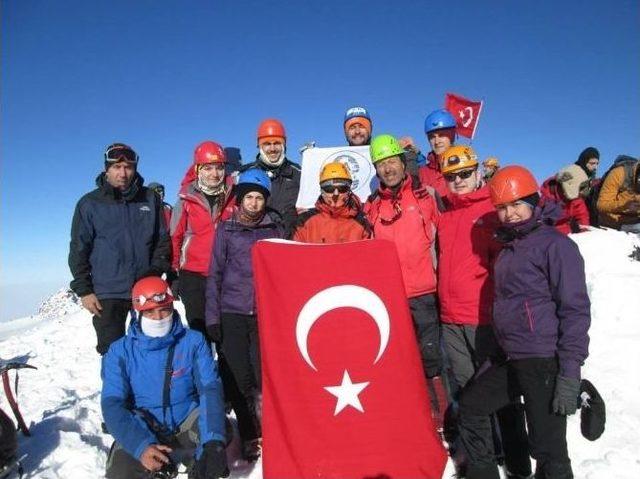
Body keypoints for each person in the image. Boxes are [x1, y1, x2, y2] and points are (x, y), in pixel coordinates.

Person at [458, 165, 591, 479]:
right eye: (502, 207)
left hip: (543, 360)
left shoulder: (556, 246)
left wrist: (570, 373)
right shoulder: (509, 248)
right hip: (510, 357)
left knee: (549, 450)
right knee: (471, 408)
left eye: (517, 204)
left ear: (534, 201)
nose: (510, 214)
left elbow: (574, 310)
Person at [437, 146, 530, 477]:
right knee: (467, 395)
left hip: (486, 319)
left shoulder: (493, 211)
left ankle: (518, 461)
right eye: (451, 177)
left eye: (464, 174)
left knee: (501, 394)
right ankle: (483, 464)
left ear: (477, 173)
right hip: (451, 319)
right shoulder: (444, 216)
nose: (459, 181)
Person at [101, 277, 228, 479]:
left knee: (220, 433)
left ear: (172, 307)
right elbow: (112, 403)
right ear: (137, 313)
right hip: (144, 425)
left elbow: (209, 389)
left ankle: (196, 460)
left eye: (164, 310)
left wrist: (213, 442)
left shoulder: (193, 341)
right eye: (149, 312)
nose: (158, 317)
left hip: (186, 420)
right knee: (120, 472)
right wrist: (141, 447)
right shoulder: (119, 352)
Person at [364, 134, 448, 429]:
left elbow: (445, 240)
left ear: (402, 162)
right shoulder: (372, 207)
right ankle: (415, 413)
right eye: (381, 164)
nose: (388, 169)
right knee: (402, 358)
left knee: (431, 357)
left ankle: (444, 416)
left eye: (391, 162)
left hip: (425, 292)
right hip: (392, 297)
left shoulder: (427, 197)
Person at [205, 168, 284, 461]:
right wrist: (212, 317)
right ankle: (250, 433)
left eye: (259, 198)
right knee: (239, 378)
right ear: (239, 200)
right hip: (232, 312)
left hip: (264, 315)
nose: (253, 203)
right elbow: (214, 274)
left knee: (265, 375)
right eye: (248, 197)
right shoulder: (227, 229)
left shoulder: (274, 229)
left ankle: (271, 430)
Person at [69, 143, 171, 355]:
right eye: (117, 167)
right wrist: (85, 290)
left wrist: (154, 272)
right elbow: (79, 248)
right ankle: (116, 390)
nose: (123, 173)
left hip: (145, 288)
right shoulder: (89, 204)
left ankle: (147, 388)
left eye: (128, 167)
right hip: (108, 292)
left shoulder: (150, 199)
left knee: (151, 347)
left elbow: (162, 240)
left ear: (135, 169)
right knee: (113, 352)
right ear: (107, 169)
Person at [170, 141, 235, 336]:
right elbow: (175, 238)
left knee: (226, 332)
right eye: (208, 168)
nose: (214, 174)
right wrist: (174, 275)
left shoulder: (235, 197)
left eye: (219, 168)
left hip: (227, 274)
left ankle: (225, 367)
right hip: (194, 276)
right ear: (198, 169)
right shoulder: (186, 201)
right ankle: (202, 366)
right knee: (199, 332)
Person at [238, 118, 301, 232]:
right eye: (267, 144)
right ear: (259, 146)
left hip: (290, 240)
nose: (272, 149)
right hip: (256, 240)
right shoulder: (245, 174)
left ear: (284, 145)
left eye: (277, 143)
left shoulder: (299, 174)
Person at [292, 161, 372, 243]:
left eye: (342, 188)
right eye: (329, 189)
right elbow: (296, 252)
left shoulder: (362, 222)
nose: (336, 194)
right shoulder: (304, 221)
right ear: (321, 191)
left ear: (349, 190)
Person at [540, 164, 591, 234]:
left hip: (566, 233)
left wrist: (584, 229)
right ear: (570, 184)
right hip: (548, 234)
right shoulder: (546, 199)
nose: (582, 191)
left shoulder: (575, 197)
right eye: (581, 187)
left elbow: (582, 214)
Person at [418, 108, 457, 199]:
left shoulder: (465, 167)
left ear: (452, 136)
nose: (436, 141)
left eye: (441, 135)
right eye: (432, 137)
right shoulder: (422, 173)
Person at [596, 155, 640, 232]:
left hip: (635, 220)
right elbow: (601, 205)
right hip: (613, 221)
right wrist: (625, 205)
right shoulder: (619, 173)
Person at [574, 147, 601, 225]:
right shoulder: (574, 174)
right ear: (584, 161)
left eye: (597, 164)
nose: (595, 167)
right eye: (592, 163)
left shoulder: (591, 176)